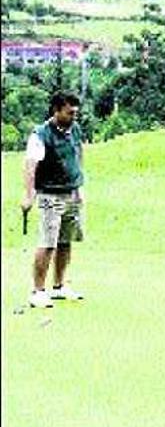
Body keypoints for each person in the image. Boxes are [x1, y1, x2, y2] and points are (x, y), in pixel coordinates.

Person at [21, 92, 86, 308]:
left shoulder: (74, 129)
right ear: (56, 111)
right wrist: (28, 195)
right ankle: (37, 291)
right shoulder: (40, 135)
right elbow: (31, 166)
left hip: (72, 192)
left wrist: (80, 184)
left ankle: (59, 286)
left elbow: (78, 154)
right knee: (47, 242)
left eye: (75, 112)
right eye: (69, 113)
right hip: (51, 194)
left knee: (66, 241)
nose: (74, 116)